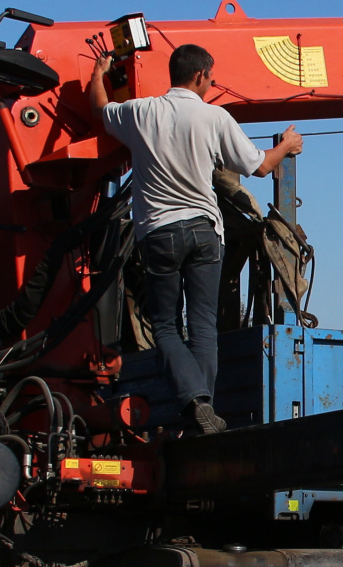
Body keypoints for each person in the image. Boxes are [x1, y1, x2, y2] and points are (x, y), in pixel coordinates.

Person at [90, 44, 301, 433]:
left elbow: (101, 108)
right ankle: (204, 410)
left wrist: (98, 73)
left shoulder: (141, 112)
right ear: (201, 75)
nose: (213, 81)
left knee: (166, 327)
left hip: (159, 234)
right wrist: (286, 145)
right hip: (205, 232)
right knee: (203, 325)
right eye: (211, 76)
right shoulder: (214, 117)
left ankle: (197, 403)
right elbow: (259, 166)